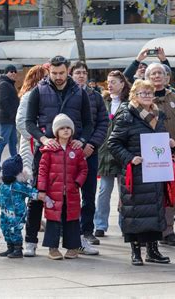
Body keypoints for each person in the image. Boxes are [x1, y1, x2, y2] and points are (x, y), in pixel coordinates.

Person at [24, 55, 95, 257]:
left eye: (62, 73)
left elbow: (88, 123)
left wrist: (82, 139)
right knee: (39, 196)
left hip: (71, 153)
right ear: (49, 71)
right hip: (46, 152)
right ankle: (30, 240)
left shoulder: (79, 92)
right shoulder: (38, 90)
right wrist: (43, 139)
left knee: (72, 200)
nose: (58, 77)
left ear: (68, 71)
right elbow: (29, 122)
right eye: (54, 73)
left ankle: (74, 241)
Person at [109, 79, 174, 266]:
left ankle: (153, 250)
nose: (146, 96)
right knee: (135, 212)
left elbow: (159, 139)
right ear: (134, 96)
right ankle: (136, 251)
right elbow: (113, 143)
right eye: (142, 93)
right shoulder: (126, 115)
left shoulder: (158, 115)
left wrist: (168, 143)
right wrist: (130, 158)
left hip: (155, 171)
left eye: (149, 92)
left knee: (155, 210)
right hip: (136, 171)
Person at [145, 62, 175, 246]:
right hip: (149, 156)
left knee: (170, 194)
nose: (156, 76)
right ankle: (151, 230)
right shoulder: (144, 98)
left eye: (160, 73)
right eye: (153, 73)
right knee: (151, 195)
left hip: (172, 156)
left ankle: (168, 230)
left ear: (166, 77)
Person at [38, 114, 88, 260]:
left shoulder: (77, 150)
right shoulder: (49, 150)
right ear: (56, 131)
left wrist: (77, 183)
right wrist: (42, 189)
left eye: (68, 128)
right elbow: (43, 171)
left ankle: (72, 247)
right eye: (62, 128)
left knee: (72, 219)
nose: (66, 131)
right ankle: (52, 248)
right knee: (53, 219)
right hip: (54, 192)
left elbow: (83, 169)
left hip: (71, 192)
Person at [70, 61, 109, 246]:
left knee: (89, 193)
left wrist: (91, 144)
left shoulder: (96, 96)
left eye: (84, 72)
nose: (81, 75)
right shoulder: (66, 94)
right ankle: (69, 230)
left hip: (90, 152)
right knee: (69, 192)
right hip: (69, 151)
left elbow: (103, 123)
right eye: (77, 72)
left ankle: (87, 230)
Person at [94, 70, 131, 237]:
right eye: (108, 82)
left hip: (124, 152)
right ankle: (100, 225)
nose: (109, 85)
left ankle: (125, 224)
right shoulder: (102, 101)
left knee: (125, 192)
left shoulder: (129, 103)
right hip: (105, 152)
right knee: (104, 191)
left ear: (122, 84)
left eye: (113, 82)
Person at [0, 154, 46, 258]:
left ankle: (17, 249)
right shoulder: (2, 184)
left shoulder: (19, 185)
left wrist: (41, 196)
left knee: (14, 230)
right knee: (5, 228)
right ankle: (10, 247)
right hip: (5, 212)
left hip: (17, 213)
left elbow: (30, 191)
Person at [15, 65, 47, 173]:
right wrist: (34, 136)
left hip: (37, 140)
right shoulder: (29, 95)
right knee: (30, 173)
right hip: (31, 143)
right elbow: (20, 120)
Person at [0, 64, 19, 171]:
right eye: (10, 71)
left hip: (11, 118)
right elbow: (3, 101)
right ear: (5, 72)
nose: (13, 73)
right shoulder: (4, 84)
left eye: (15, 71)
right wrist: (12, 113)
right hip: (7, 118)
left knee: (13, 142)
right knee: (3, 141)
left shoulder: (9, 84)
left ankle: (15, 163)